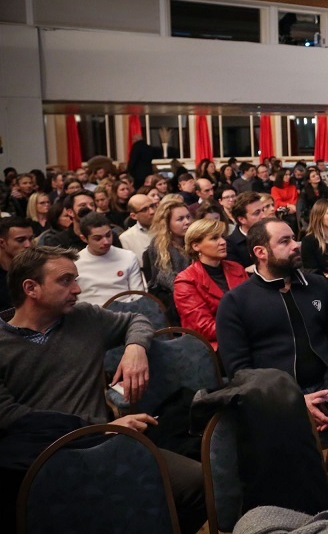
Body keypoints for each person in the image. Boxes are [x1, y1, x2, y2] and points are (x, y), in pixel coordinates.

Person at [0, 246, 205, 534]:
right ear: (31, 288)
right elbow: (10, 417)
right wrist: (98, 428)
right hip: (40, 460)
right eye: (65, 280)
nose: (77, 289)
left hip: (107, 445)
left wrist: (135, 348)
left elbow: (137, 320)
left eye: (76, 279)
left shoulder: (84, 318)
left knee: (199, 482)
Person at [216, 219, 328, 429]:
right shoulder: (235, 302)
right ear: (261, 252)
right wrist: (296, 401)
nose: (296, 245)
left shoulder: (318, 285)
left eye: (293, 238)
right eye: (285, 241)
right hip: (275, 401)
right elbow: (240, 372)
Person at [173, 219, 248, 350]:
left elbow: (254, 305)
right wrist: (247, 328)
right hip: (212, 347)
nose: (223, 242)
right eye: (214, 238)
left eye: (222, 237)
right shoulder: (185, 280)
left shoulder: (237, 268)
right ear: (196, 246)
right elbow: (203, 327)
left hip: (246, 336)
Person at [74, 213, 145, 306]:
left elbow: (138, 296)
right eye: (98, 238)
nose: (106, 242)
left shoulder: (128, 257)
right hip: (90, 315)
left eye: (108, 235)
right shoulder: (75, 263)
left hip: (125, 313)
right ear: (84, 238)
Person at [145, 198, 193, 313]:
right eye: (180, 219)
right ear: (167, 223)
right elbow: (165, 275)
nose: (187, 222)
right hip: (170, 298)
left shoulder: (195, 240)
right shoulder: (159, 244)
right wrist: (190, 292)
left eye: (188, 217)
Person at [0, 217, 35, 311]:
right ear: (2, 243)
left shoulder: (35, 269)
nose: (28, 245)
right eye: (20, 240)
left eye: (30, 239)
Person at [226, 192, 266, 269]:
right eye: (257, 213)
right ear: (242, 219)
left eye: (263, 210)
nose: (264, 216)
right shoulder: (230, 245)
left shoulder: (271, 233)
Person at [119, 194, 157, 268]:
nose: (152, 211)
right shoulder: (126, 238)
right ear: (134, 216)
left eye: (152, 206)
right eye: (144, 209)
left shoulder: (168, 228)